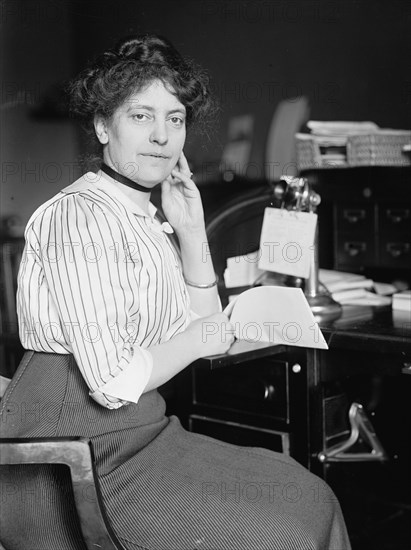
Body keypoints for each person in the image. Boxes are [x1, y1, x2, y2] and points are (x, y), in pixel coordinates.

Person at [0, 34, 351, 549]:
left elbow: (201, 329)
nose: (163, 136)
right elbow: (116, 380)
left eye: (176, 118)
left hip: (141, 435)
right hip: (72, 459)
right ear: (103, 126)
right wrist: (200, 337)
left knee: (310, 496)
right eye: (141, 116)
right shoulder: (80, 217)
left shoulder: (141, 215)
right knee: (285, 534)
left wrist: (190, 230)